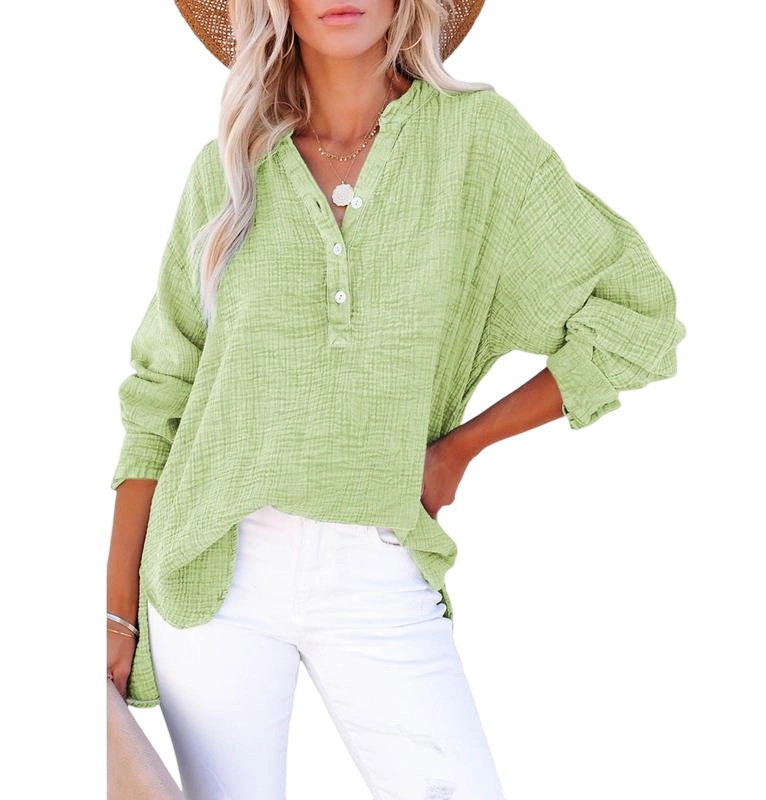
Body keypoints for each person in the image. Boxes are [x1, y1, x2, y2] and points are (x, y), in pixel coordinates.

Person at [105, 1, 688, 798]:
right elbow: (159, 400)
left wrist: (459, 449)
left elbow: (639, 318)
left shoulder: (477, 140)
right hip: (212, 566)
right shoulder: (228, 165)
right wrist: (116, 611)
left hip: (376, 563)